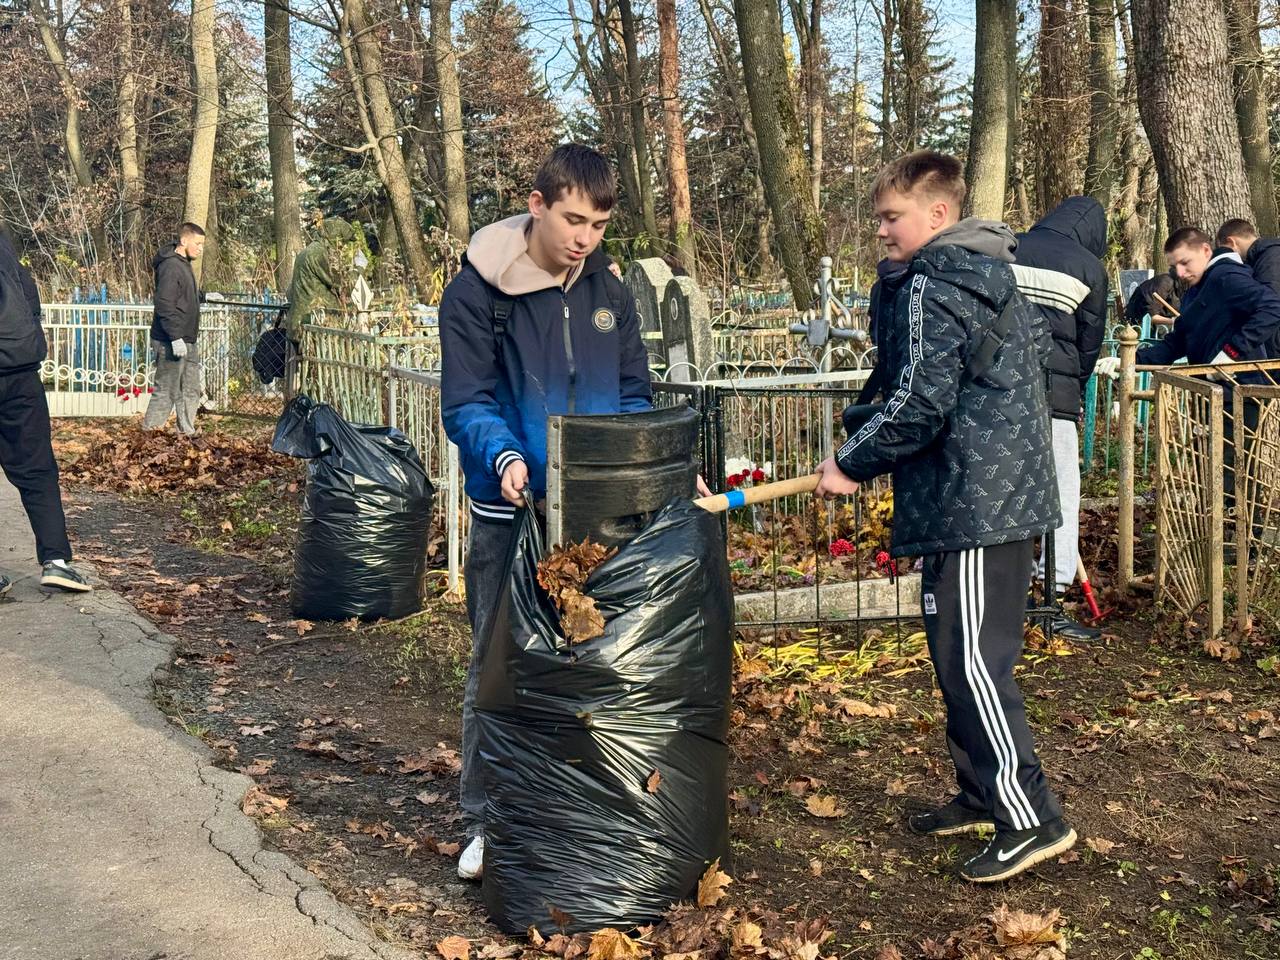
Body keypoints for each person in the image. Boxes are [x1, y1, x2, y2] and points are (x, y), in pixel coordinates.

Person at [812, 150, 1076, 883]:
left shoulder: (938, 282)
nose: (882, 233)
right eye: (879, 221)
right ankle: (980, 793)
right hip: (981, 496)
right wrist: (864, 426)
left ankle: (1032, 818)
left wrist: (851, 461)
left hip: (976, 502)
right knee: (956, 656)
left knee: (974, 665)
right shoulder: (979, 276)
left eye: (892, 218)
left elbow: (922, 403)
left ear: (937, 215)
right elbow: (935, 384)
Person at [439, 144, 654, 881]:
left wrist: (639, 468)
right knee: (498, 668)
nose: (583, 238)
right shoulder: (477, 295)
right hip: (512, 513)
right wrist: (504, 458)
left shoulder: (609, 293)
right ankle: (486, 822)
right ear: (536, 204)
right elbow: (467, 401)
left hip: (592, 517)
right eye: (571, 219)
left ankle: (575, 815)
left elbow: (632, 394)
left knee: (590, 665)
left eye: (597, 225)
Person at [1097, 227, 1280, 514]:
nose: (1180, 272)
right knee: (1219, 468)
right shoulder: (1196, 292)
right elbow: (1174, 345)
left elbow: (1272, 307)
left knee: (1235, 469)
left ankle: (1240, 542)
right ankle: (1225, 536)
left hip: (1240, 390)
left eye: (1186, 263)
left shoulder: (1226, 277)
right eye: (1174, 266)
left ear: (1206, 251)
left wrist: (1232, 352)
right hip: (1213, 393)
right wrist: (1127, 362)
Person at [1011, 196, 1108, 641]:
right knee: (1062, 494)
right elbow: (1090, 342)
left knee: (1003, 489)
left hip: (997, 394)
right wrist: (1075, 389)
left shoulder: (1009, 245)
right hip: (1054, 398)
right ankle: (1051, 592)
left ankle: (1001, 591)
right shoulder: (1089, 267)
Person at [0, 225, 92, 595]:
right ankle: (57, 562)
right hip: (21, 370)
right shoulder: (4, 243)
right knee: (37, 468)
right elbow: (30, 296)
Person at [142, 223, 205, 436]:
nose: (200, 248)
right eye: (198, 243)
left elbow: (182, 296)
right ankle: (149, 437)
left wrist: (202, 297)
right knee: (166, 390)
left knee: (191, 389)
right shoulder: (170, 266)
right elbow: (164, 303)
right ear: (184, 241)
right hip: (170, 339)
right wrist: (175, 337)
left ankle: (186, 432)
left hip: (187, 339)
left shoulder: (183, 263)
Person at [285, 218, 358, 341]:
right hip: (315, 326)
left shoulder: (308, 251)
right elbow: (341, 284)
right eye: (343, 242)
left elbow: (290, 292)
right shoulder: (318, 254)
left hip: (301, 323)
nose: (343, 247)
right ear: (335, 238)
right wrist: (358, 269)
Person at [1217, 218, 1280, 300]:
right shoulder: (1262, 256)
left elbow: (1271, 299)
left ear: (1231, 242)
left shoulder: (1271, 255)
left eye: (1226, 250)